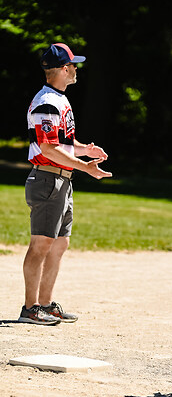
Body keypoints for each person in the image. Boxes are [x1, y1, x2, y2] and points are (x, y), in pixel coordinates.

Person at [18, 43, 112, 325]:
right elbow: (47, 148)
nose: (75, 69)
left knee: (59, 243)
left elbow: (64, 144)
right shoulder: (47, 101)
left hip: (61, 179)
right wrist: (85, 168)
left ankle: (45, 303)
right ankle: (30, 308)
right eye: (72, 65)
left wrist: (85, 150)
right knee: (41, 244)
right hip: (47, 178)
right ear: (62, 69)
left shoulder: (61, 99)